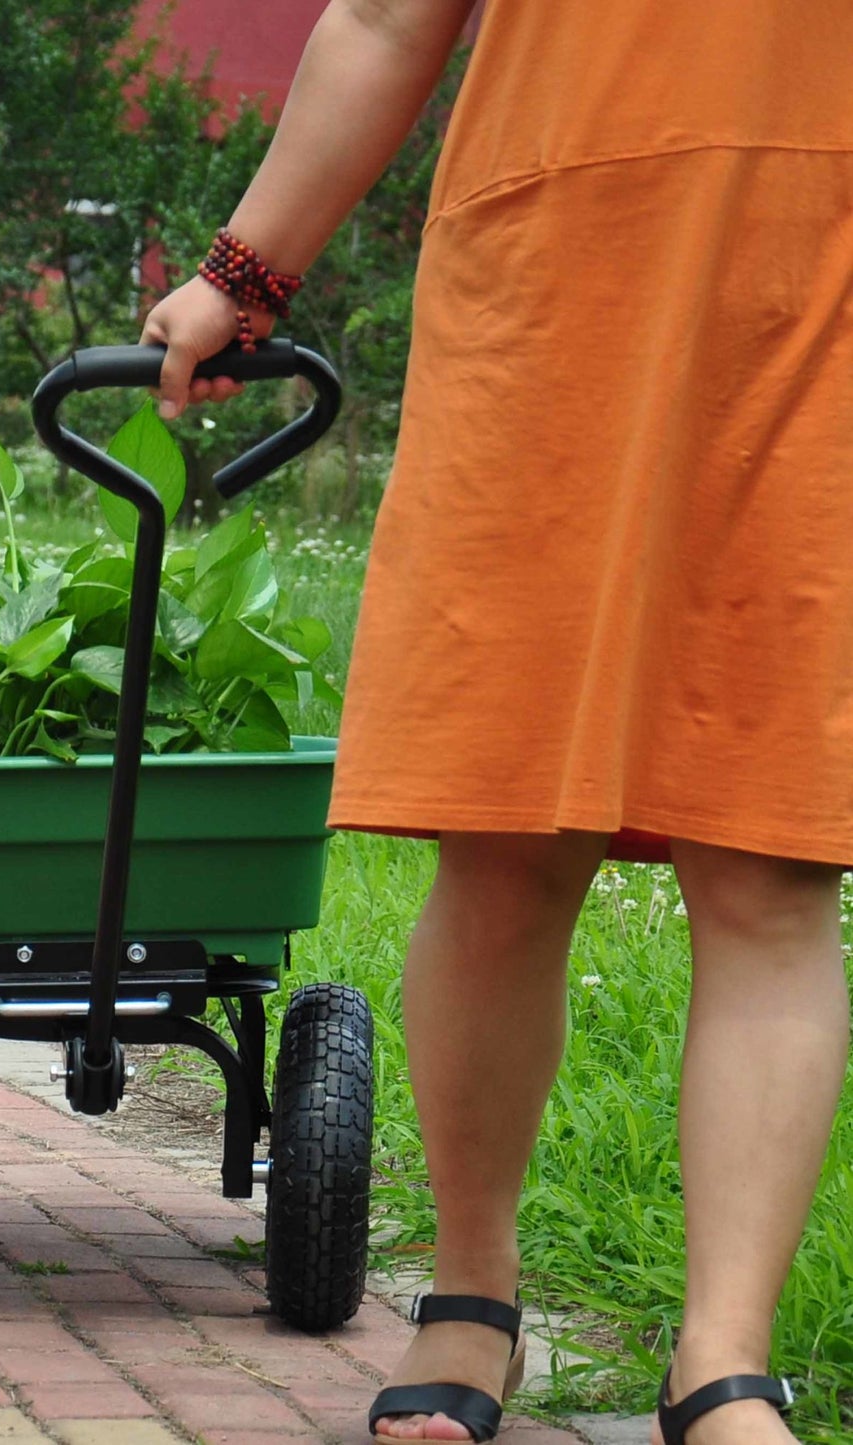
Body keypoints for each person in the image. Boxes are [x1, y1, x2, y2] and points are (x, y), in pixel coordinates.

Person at [139, 2, 853, 1443]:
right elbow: (387, 13)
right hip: (557, 292)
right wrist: (241, 271)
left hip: (818, 296)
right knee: (508, 834)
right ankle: (469, 1296)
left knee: (770, 859)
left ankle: (722, 1357)